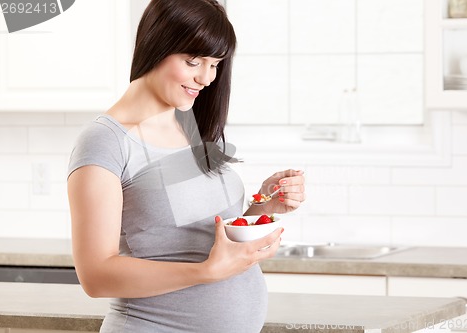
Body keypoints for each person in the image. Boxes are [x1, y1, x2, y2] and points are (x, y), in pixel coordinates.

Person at [67, 0, 305, 332]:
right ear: (155, 44)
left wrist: (262, 206)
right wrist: (205, 272)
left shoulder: (190, 126)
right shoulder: (105, 141)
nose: (206, 77)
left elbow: (198, 237)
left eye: (215, 64)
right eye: (193, 61)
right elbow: (96, 276)